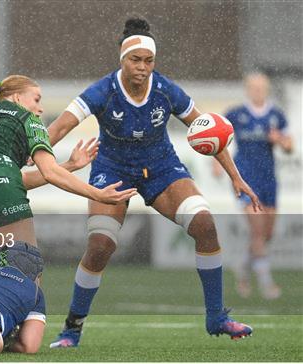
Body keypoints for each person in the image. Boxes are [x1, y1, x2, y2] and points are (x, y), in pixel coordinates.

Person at [47, 17, 260, 347]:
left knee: (205, 224)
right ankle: (72, 329)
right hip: (112, 170)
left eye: (148, 61)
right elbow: (58, 129)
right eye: (135, 60)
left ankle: (217, 318)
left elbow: (211, 132)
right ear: (122, 59)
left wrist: (236, 177)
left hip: (161, 169)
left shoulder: (165, 90)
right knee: (100, 246)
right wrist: (33, 152)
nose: (142, 67)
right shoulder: (102, 90)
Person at [0, 75, 137, 264]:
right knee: (25, 268)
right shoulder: (27, 118)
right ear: (17, 98)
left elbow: (4, 177)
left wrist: (69, 165)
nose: (40, 108)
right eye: (36, 99)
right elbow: (46, 172)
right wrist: (98, 194)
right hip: (4, 189)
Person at [220, 72, 292, 299]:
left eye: (261, 88)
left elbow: (290, 147)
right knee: (258, 230)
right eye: (253, 88)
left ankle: (242, 266)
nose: (257, 91)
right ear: (247, 89)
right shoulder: (235, 114)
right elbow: (218, 139)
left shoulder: (276, 115)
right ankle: (266, 283)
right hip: (245, 179)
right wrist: (216, 161)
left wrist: (279, 140)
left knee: (267, 233)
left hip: (269, 180)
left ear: (267, 89)